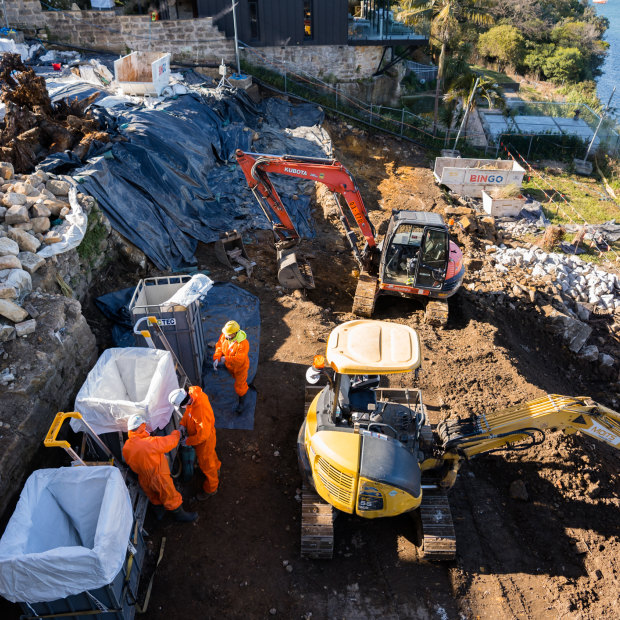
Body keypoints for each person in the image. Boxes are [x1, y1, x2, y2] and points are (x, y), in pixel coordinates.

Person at [122, 414, 197, 522]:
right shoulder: (149, 443)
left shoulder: (126, 447)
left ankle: (160, 514)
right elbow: (169, 442)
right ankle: (180, 516)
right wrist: (177, 433)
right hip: (158, 477)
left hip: (143, 478)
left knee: (154, 496)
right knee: (170, 496)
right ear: (141, 427)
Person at [169, 387, 221, 501]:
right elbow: (189, 412)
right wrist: (183, 424)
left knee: (207, 465)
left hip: (204, 442)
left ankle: (211, 488)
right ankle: (217, 467)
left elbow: (203, 435)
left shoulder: (200, 412)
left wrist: (187, 441)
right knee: (211, 457)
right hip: (205, 438)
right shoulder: (193, 396)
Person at [213, 320, 251, 414]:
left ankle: (242, 402)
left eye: (228, 335)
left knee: (240, 386)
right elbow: (219, 346)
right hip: (230, 367)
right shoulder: (225, 335)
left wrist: (225, 358)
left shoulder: (243, 344)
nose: (225, 336)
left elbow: (239, 359)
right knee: (235, 379)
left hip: (240, 368)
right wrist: (217, 358)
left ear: (234, 333)